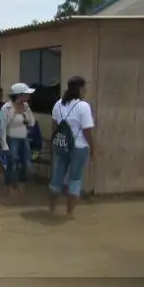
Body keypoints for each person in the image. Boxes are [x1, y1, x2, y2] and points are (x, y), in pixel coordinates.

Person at [48, 76, 95, 218]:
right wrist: (93, 148)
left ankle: (51, 210)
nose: (86, 90)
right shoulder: (83, 106)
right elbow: (87, 130)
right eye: (84, 88)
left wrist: (55, 144)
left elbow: (55, 127)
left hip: (61, 145)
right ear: (80, 89)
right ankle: (69, 213)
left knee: (57, 177)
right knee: (75, 179)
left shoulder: (58, 105)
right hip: (79, 147)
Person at [0, 82, 37, 197]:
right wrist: (4, 145)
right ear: (19, 95)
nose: (28, 97)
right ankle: (10, 187)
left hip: (24, 138)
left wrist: (26, 117)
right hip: (11, 139)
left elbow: (32, 122)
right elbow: (2, 126)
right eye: (26, 94)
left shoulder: (26, 107)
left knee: (26, 163)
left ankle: (21, 186)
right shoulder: (7, 107)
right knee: (12, 164)